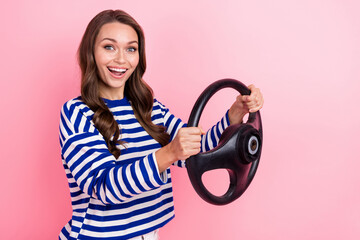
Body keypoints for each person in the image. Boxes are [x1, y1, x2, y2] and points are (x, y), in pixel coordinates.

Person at [59, 9, 264, 240]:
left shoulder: (151, 108)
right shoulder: (76, 112)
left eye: (131, 49)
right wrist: (168, 153)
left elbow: (196, 150)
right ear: (91, 52)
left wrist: (234, 115)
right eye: (109, 47)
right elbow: (105, 188)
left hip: (150, 235)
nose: (121, 59)